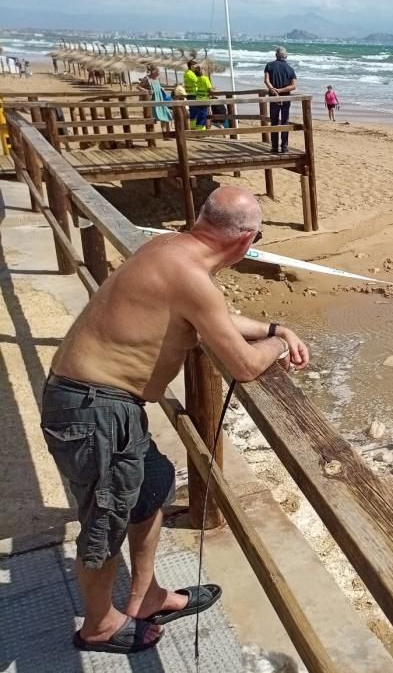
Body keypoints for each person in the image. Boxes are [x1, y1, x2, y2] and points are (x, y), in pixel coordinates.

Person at [41, 186, 310, 654]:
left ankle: (147, 597)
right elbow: (245, 366)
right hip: (95, 411)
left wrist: (274, 327)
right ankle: (99, 627)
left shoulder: (168, 247)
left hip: (99, 405)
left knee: (153, 485)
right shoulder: (191, 276)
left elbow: (215, 317)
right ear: (246, 242)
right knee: (105, 525)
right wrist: (279, 347)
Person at [263, 47, 297, 153]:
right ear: (286, 56)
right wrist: (281, 90)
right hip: (286, 98)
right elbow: (293, 86)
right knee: (284, 121)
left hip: (274, 97)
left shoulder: (269, 65)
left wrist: (273, 89)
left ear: (276, 55)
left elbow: (266, 80)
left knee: (274, 122)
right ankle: (284, 146)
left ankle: (274, 147)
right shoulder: (290, 69)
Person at [137, 65, 171, 132]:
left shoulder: (157, 79)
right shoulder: (147, 79)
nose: (159, 73)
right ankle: (151, 135)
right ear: (153, 71)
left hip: (160, 100)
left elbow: (158, 88)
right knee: (151, 117)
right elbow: (138, 87)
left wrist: (161, 89)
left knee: (164, 114)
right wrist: (147, 91)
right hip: (152, 101)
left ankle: (165, 133)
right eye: (158, 71)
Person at [193, 65, 214, 130]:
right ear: (201, 71)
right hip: (204, 100)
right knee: (203, 116)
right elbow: (210, 89)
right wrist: (213, 90)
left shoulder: (197, 79)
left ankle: (199, 130)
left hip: (197, 99)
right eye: (203, 69)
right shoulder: (205, 79)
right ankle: (200, 132)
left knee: (199, 116)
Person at [183, 60, 199, 128]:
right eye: (195, 66)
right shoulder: (190, 74)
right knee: (194, 112)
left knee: (194, 111)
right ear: (191, 66)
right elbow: (198, 81)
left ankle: (194, 127)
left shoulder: (188, 73)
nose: (196, 68)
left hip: (192, 94)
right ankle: (193, 128)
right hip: (192, 94)